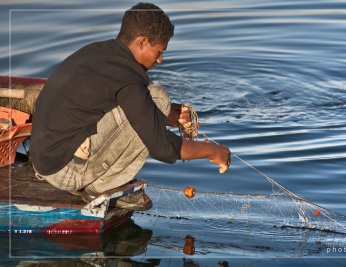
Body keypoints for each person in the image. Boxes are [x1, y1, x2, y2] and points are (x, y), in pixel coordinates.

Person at [30, 2, 231, 211]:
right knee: (159, 98)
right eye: (159, 51)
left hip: (46, 159)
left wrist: (168, 117)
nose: (160, 60)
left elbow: (120, 105)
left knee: (154, 104)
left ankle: (92, 178)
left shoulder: (101, 53)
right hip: (64, 172)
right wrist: (213, 152)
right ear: (142, 42)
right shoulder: (127, 77)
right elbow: (161, 147)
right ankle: (98, 186)